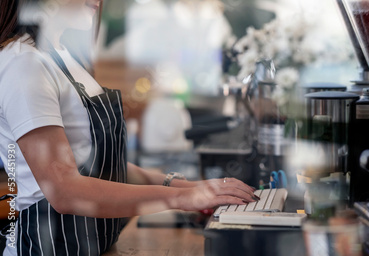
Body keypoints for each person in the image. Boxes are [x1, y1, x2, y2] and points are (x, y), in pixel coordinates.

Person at [0, 0, 257, 255]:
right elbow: (64, 190)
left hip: (97, 246)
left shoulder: (62, 55)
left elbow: (99, 167)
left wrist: (193, 188)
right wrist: (184, 199)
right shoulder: (24, 64)